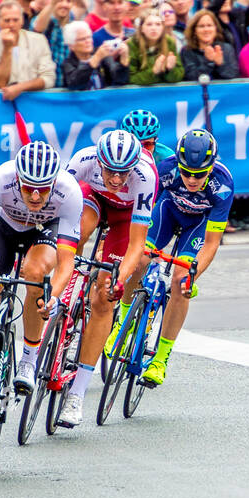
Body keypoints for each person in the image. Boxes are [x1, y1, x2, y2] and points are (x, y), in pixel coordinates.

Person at [0, 141, 83, 440]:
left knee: (34, 273)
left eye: (43, 189)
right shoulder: (0, 178)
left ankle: (29, 361)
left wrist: (55, 297)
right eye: (29, 187)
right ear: (18, 179)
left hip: (45, 231)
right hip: (3, 228)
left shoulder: (70, 192)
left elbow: (66, 261)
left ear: (54, 182)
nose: (35, 196)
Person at [60, 130, 158, 427]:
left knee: (103, 298)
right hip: (94, 201)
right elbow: (58, 204)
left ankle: (76, 396)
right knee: (77, 231)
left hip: (125, 217)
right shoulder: (84, 160)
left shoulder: (145, 176)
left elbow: (137, 244)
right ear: (98, 160)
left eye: (122, 173)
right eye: (110, 171)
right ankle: (65, 291)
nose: (116, 179)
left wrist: (119, 279)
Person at [138, 129, 234, 385]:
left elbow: (212, 244)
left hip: (198, 225)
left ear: (211, 166)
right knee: (139, 258)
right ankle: (122, 322)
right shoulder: (165, 169)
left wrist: (193, 274)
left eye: (199, 174)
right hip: (167, 213)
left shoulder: (222, 185)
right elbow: (141, 215)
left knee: (180, 283)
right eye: (186, 173)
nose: (192, 179)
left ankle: (160, 359)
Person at [0, 0, 56, 101]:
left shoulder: (39, 40)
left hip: (35, 101)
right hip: (2, 103)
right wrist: (7, 49)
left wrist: (20, 87)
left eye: (15, 20)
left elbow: (49, 78)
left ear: (22, 21)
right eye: (7, 20)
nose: (11, 25)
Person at [62, 20, 128, 89]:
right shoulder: (68, 63)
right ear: (71, 46)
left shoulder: (101, 54)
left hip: (102, 98)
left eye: (89, 37)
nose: (87, 41)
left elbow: (120, 80)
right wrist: (95, 59)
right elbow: (74, 84)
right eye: (82, 39)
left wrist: (124, 59)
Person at [128, 8, 184, 85]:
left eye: (158, 24)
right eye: (149, 24)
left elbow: (178, 77)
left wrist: (170, 69)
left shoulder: (169, 42)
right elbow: (130, 78)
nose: (154, 28)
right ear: (141, 28)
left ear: (162, 28)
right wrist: (154, 71)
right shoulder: (132, 44)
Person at [180, 8, 238, 80]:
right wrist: (208, 63)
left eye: (209, 25)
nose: (206, 29)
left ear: (215, 29)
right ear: (194, 30)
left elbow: (233, 75)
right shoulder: (187, 51)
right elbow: (190, 77)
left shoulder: (227, 48)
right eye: (201, 26)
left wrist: (220, 64)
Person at [33, 0, 77, 75]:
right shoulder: (45, 18)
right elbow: (38, 28)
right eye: (60, 0)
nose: (64, 5)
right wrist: (52, 3)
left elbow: (84, 6)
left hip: (66, 84)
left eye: (68, 1)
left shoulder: (73, 22)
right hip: (45, 83)